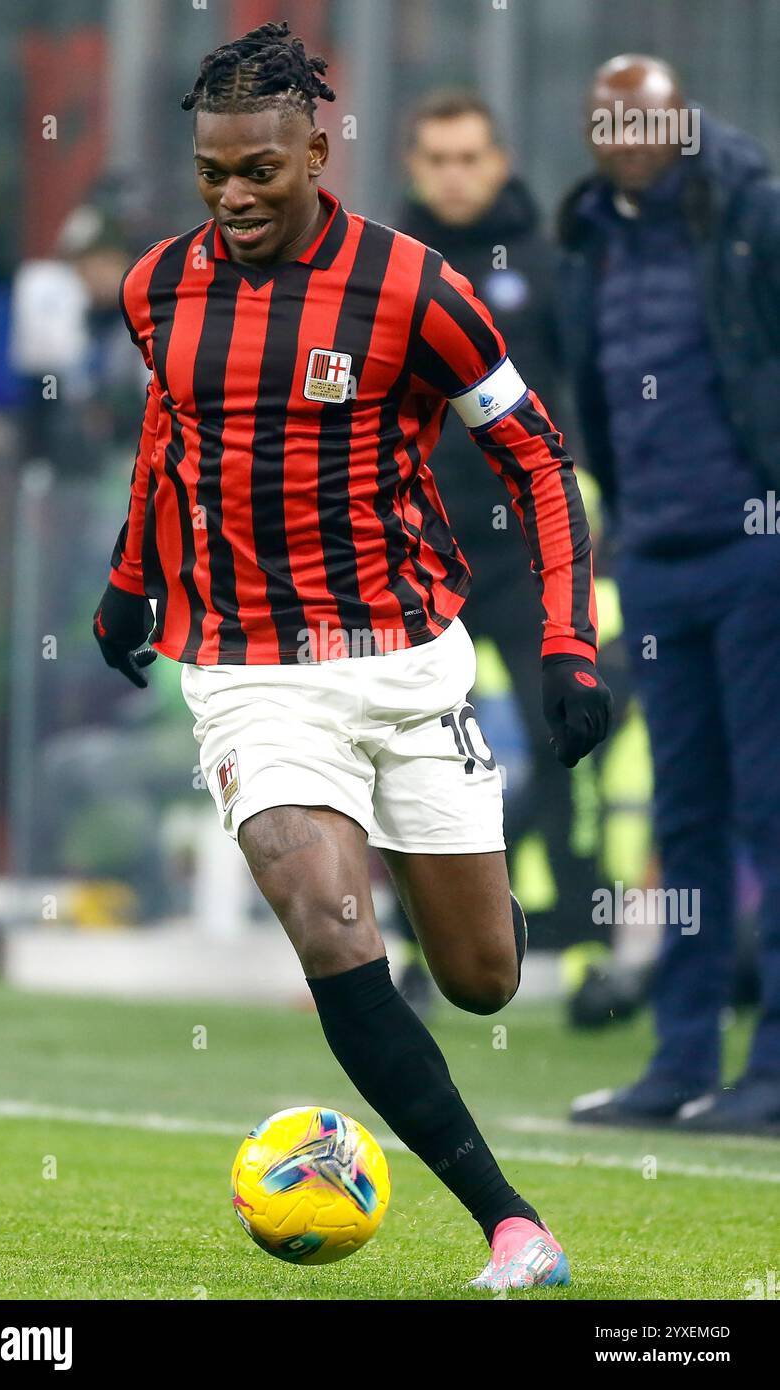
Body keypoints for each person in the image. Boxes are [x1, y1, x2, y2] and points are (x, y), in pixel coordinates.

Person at [92, 21, 610, 1288]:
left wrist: (562, 639)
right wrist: (128, 584)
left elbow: (538, 456)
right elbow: (172, 444)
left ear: (317, 150)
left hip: (408, 660)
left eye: (260, 171)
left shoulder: (415, 290)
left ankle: (468, 916)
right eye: (213, 174)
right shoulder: (158, 287)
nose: (234, 197)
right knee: (322, 910)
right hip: (250, 667)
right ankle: (509, 1220)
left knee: (482, 979)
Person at [559, 55, 780, 1134]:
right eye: (608, 116)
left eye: (646, 113)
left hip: (755, 550)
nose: (627, 131)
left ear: (683, 118)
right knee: (683, 818)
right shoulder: (591, 236)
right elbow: (591, 389)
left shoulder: (751, 215)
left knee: (770, 811)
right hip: (651, 555)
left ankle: (775, 1067)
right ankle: (679, 1059)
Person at [395, 91, 614, 1015]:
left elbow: (591, 398)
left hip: (528, 552)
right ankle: (418, 954)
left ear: (500, 159)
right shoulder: (384, 269)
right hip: (419, 552)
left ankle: (585, 952)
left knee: (569, 741)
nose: (454, 174)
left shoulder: (552, 264)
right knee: (410, 756)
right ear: (413, 167)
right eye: (437, 158)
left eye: (469, 156)